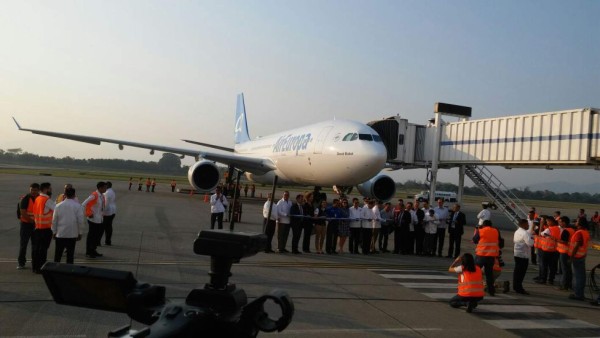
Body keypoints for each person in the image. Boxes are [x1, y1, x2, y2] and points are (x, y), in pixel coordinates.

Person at [51, 187, 83, 264]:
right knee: (70, 255)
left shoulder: (58, 206)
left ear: (64, 195)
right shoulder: (78, 206)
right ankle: (69, 271)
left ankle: (55, 269)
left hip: (60, 234)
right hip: (72, 234)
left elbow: (54, 221)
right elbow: (81, 221)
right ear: (74, 195)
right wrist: (80, 233)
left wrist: (54, 232)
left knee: (58, 254)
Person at [473, 219, 502, 296]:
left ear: (483, 225)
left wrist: (478, 230)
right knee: (489, 274)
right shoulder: (496, 231)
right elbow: (500, 241)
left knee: (475, 271)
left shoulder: (481, 231)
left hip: (481, 255)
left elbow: (475, 240)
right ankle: (491, 291)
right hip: (491, 256)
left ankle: (474, 288)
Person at [31, 182, 55, 274]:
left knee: (36, 250)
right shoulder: (46, 200)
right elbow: (57, 209)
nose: (51, 190)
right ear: (46, 189)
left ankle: (35, 267)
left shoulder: (38, 198)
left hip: (37, 227)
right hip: (45, 229)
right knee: (43, 250)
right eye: (50, 188)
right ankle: (41, 268)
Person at [17, 183, 39, 270]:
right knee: (23, 245)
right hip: (26, 225)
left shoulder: (39, 199)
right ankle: (21, 263)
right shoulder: (25, 199)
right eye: (32, 190)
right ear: (29, 190)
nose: (33, 192)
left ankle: (35, 262)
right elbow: (23, 212)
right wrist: (32, 221)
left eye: (35, 190)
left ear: (38, 190)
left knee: (35, 245)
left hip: (36, 225)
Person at [82, 182, 107, 258]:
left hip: (99, 219)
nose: (106, 189)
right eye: (105, 187)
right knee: (91, 236)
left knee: (96, 236)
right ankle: (89, 251)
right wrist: (89, 213)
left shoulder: (102, 195)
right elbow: (84, 204)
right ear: (100, 188)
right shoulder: (94, 195)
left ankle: (93, 250)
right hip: (93, 219)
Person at [569, 217, 590, 301]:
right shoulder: (585, 232)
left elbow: (577, 245)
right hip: (582, 256)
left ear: (580, 223)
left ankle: (578, 294)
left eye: (577, 221)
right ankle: (579, 293)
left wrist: (571, 257)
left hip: (577, 257)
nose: (575, 222)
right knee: (581, 276)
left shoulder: (579, 233)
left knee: (579, 277)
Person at [536, 217, 560, 285]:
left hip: (546, 249)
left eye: (548, 221)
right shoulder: (558, 228)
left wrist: (541, 225)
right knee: (552, 266)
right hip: (555, 249)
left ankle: (543, 279)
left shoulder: (549, 229)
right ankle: (551, 279)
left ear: (551, 221)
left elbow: (540, 234)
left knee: (544, 265)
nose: (547, 223)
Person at [513, 218, 534, 294]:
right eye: (527, 224)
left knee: (517, 272)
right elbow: (530, 243)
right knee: (521, 273)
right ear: (523, 224)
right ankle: (519, 288)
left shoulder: (517, 231)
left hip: (517, 253)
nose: (528, 225)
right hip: (523, 255)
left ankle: (516, 286)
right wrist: (532, 238)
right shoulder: (525, 233)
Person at [557, 216, 574, 291]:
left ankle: (564, 285)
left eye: (560, 222)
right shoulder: (572, 230)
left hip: (564, 251)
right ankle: (569, 285)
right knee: (568, 270)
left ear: (564, 222)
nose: (559, 223)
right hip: (569, 251)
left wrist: (556, 240)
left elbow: (564, 241)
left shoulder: (566, 231)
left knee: (564, 270)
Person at [103, 181, 117, 246]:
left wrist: (103, 212)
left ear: (107, 186)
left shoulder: (107, 193)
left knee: (105, 227)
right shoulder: (112, 191)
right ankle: (108, 241)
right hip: (113, 210)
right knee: (109, 227)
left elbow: (106, 204)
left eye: (105, 186)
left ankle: (107, 241)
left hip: (108, 212)